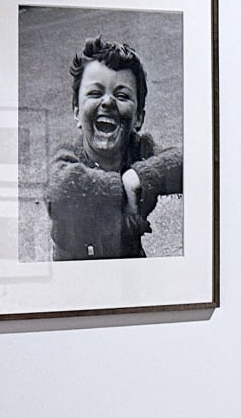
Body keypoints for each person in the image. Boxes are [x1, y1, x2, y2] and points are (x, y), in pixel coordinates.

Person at [46, 37, 182, 259]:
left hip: (129, 264)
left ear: (138, 118)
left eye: (121, 95)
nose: (108, 102)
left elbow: (188, 162)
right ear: (76, 113)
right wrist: (121, 190)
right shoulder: (68, 157)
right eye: (95, 93)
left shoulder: (139, 148)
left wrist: (138, 177)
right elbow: (58, 191)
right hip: (74, 271)